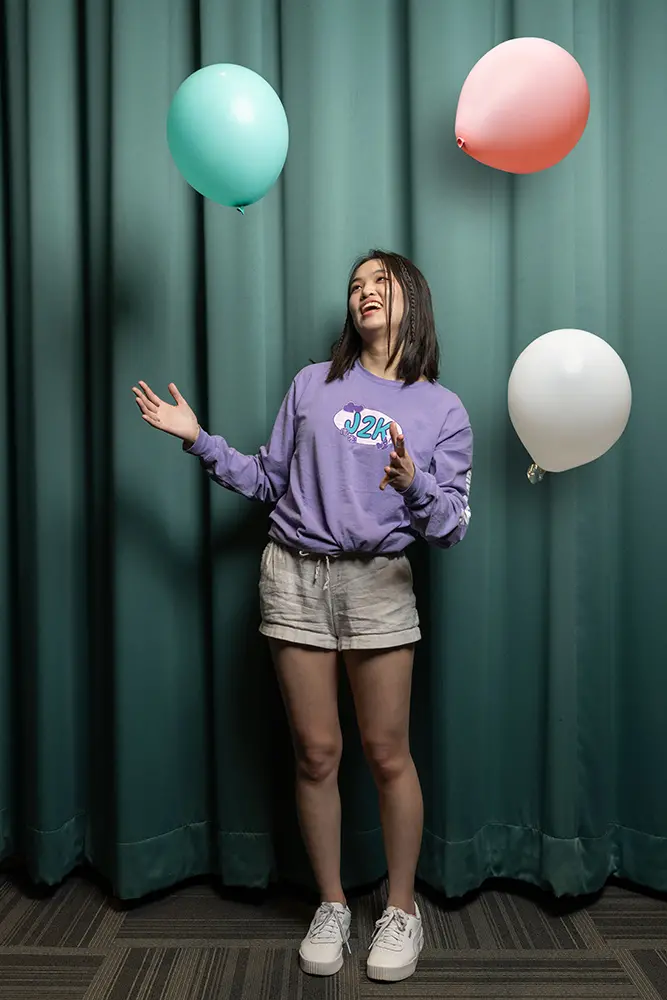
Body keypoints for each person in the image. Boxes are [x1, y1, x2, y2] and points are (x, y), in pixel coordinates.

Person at [132, 249, 473, 983]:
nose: (364, 293)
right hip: (293, 577)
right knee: (316, 753)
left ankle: (402, 910)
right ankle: (330, 905)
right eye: (355, 285)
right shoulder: (312, 385)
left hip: (378, 583)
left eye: (379, 282)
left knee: (387, 755)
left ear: (411, 297)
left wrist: (414, 484)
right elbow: (266, 478)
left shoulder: (441, 409)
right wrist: (198, 439)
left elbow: (450, 526)